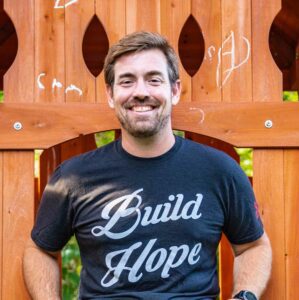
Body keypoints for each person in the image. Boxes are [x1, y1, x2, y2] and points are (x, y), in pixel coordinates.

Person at [23, 31, 272, 300]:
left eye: (153, 80)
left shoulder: (220, 171)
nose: (140, 92)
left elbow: (253, 246)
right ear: (110, 94)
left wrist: (244, 297)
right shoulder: (74, 177)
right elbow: (39, 250)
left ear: (174, 90)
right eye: (127, 81)